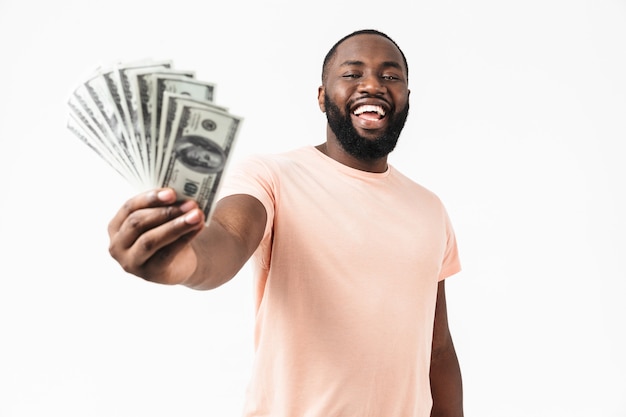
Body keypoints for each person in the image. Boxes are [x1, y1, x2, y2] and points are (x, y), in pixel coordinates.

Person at [108, 29, 464, 417]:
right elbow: (227, 237)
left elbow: (438, 348)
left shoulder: (429, 209)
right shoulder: (272, 176)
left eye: (391, 76)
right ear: (322, 96)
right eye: (352, 73)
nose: (373, 85)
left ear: (406, 99)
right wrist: (180, 262)